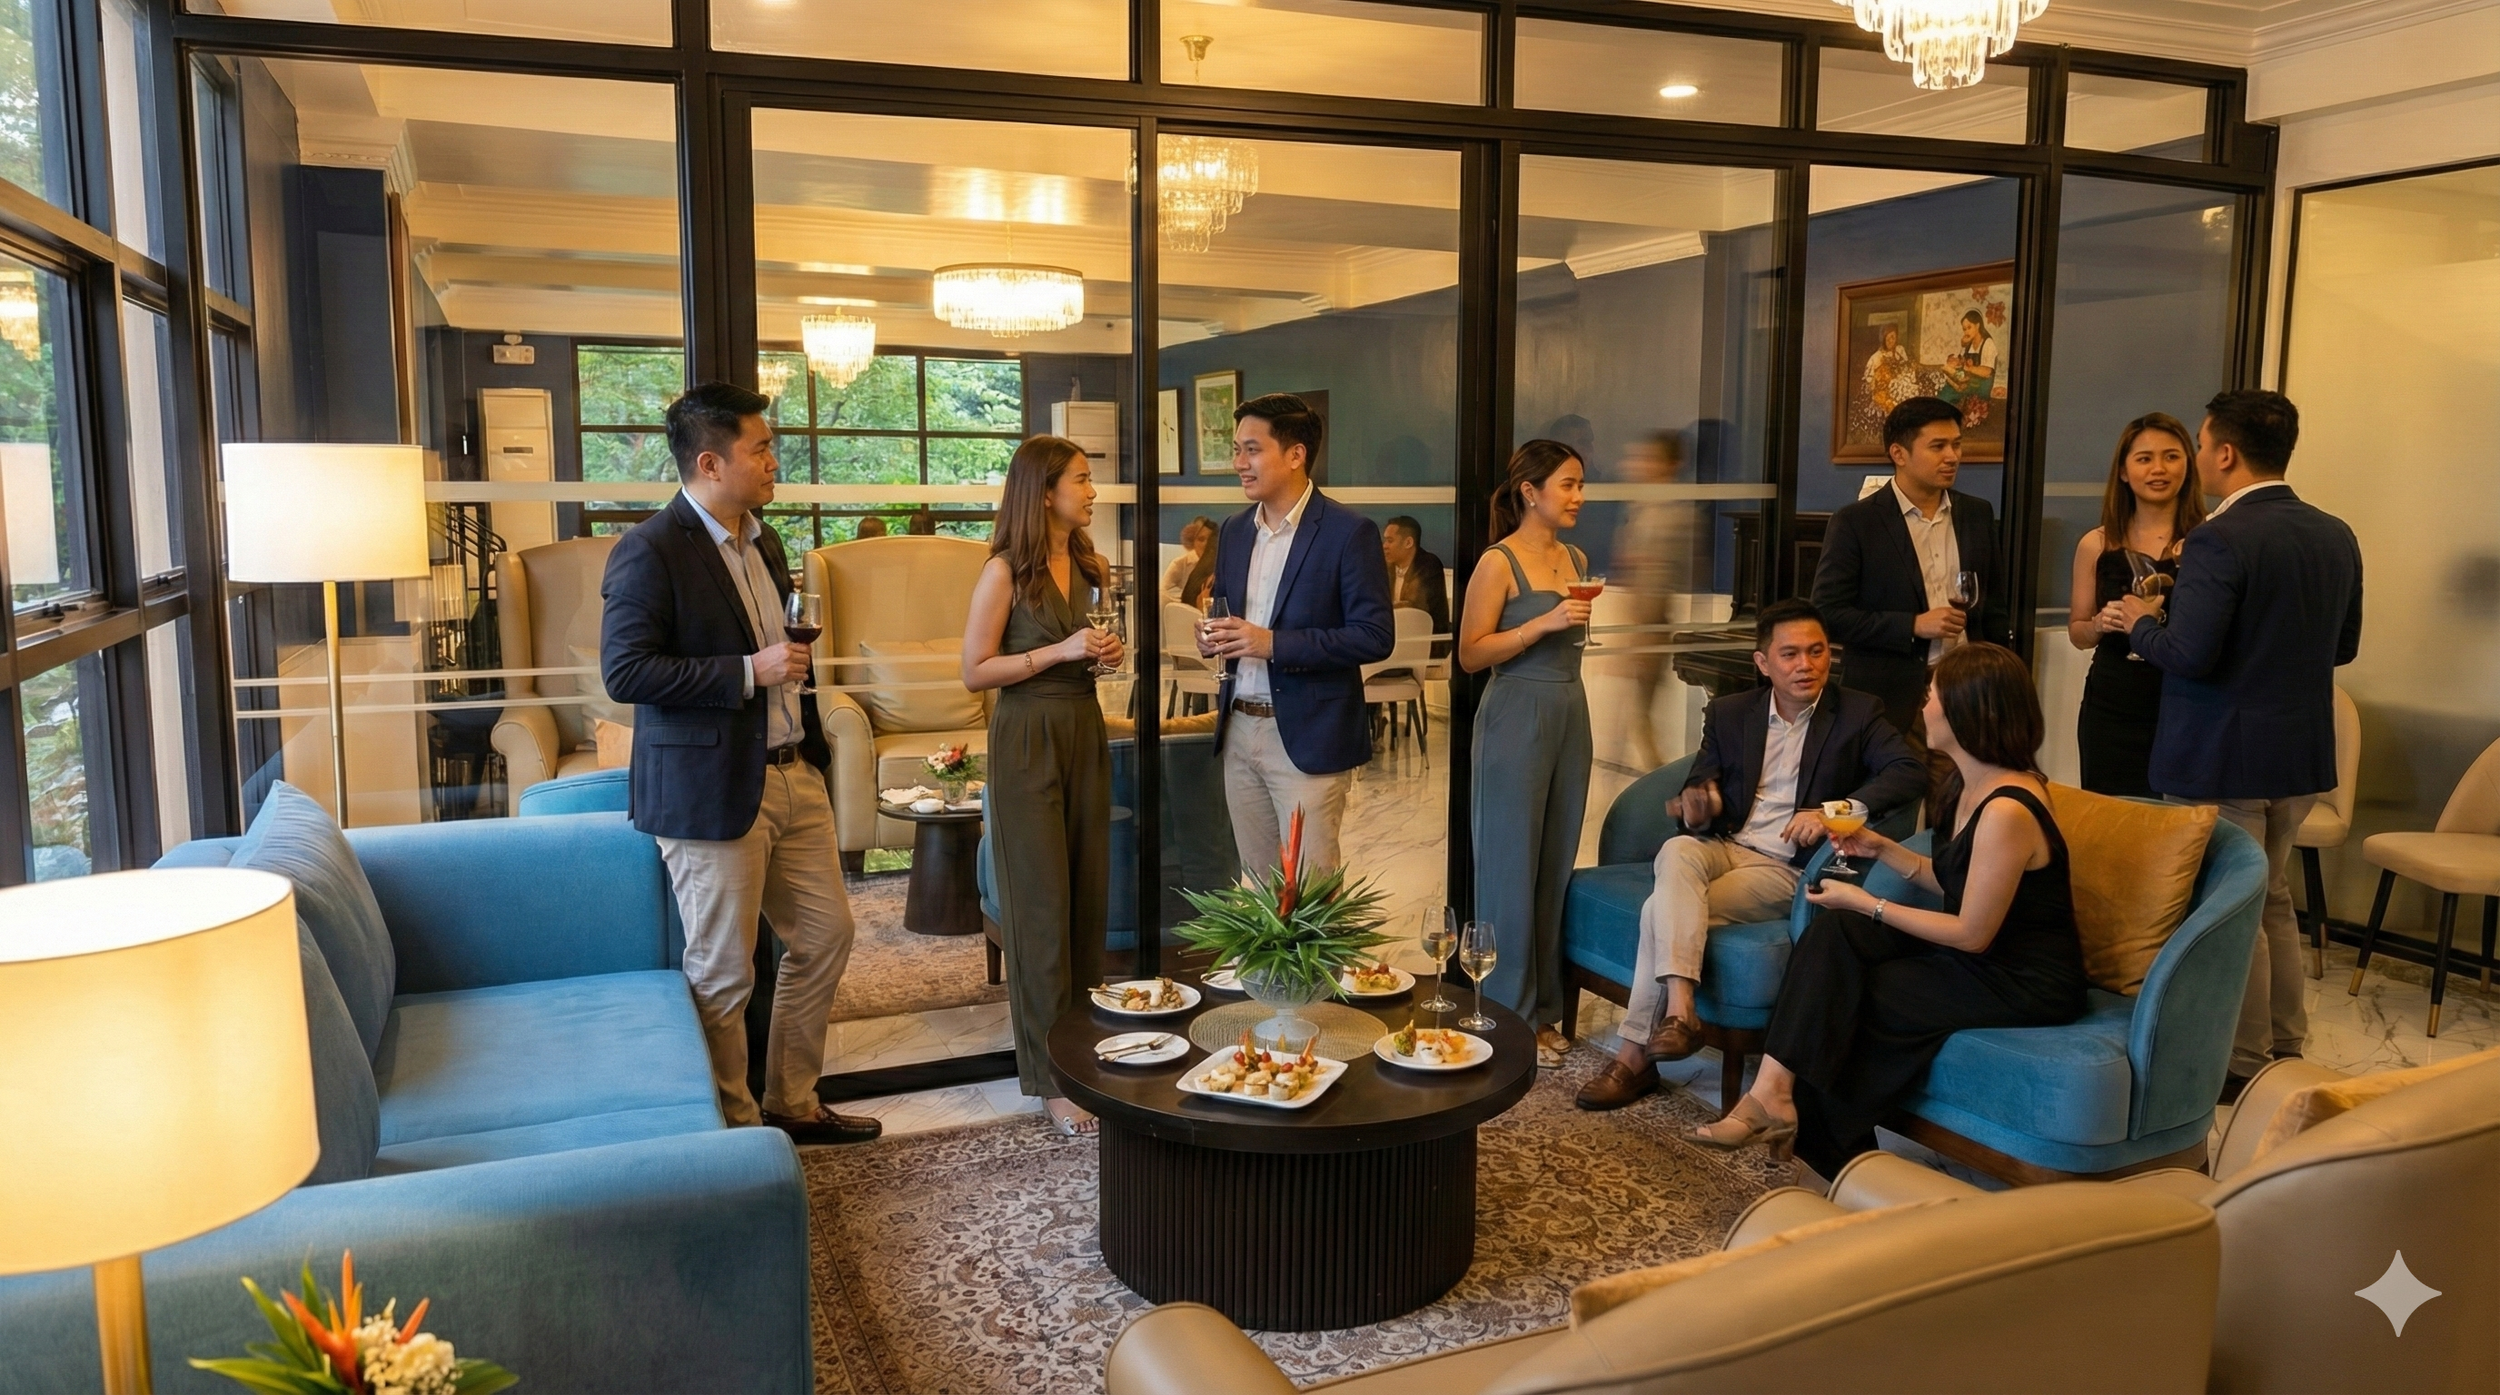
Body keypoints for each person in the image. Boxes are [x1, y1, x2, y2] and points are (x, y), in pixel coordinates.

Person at [1688, 643, 2087, 1176]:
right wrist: (1884, 851)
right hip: (1982, 953)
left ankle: (1837, 1158)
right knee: (1835, 936)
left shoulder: (2009, 808)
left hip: (2020, 976)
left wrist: (1868, 901)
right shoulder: (1968, 785)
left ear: (1968, 710)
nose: (1923, 703)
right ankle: (1773, 1095)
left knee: (1865, 993)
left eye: (1934, 694)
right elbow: (1951, 880)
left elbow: (1972, 932)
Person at [599, 382, 876, 1145]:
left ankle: (792, 1101)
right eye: (761, 448)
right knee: (723, 972)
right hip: (708, 792)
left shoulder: (766, 540)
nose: (773, 459)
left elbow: (787, 649)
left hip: (792, 773)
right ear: (712, 462)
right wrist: (747, 670)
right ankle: (738, 1135)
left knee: (825, 936)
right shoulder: (649, 550)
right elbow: (625, 673)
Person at [1576, 599, 1926, 1110]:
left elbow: (1907, 770)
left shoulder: (1857, 712)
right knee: (1676, 847)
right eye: (1790, 655)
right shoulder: (1731, 712)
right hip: (1723, 845)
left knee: (1659, 909)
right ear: (1764, 663)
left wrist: (1833, 812)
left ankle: (1637, 1055)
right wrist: (1699, 807)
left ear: (1831, 655)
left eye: (1816, 651)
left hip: (1783, 867)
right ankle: (1679, 1013)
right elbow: (1701, 787)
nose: (1805, 665)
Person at [2119, 389, 2362, 1091]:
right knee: (2272, 897)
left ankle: (2241, 1063)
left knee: (2233, 912)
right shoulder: (2334, 532)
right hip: (2300, 752)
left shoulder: (2219, 537)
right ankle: (2285, 1040)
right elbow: (2342, 646)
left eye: (2197, 443)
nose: (2196, 456)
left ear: (2224, 453)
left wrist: (2141, 620)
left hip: (2223, 755)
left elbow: (2188, 653)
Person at [962, 435, 1124, 1138]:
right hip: (1026, 738)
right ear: (1045, 490)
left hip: (1083, 729)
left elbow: (1096, 653)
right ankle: (1047, 1077)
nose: (1093, 492)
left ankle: (1082, 1056)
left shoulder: (1091, 563)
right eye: (1083, 480)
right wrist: (1058, 650)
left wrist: (1106, 654)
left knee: (1087, 900)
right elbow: (975, 670)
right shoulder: (1003, 571)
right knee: (1040, 911)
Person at [1201, 392, 1394, 877]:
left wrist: (1271, 644)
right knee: (1261, 893)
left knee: (1310, 896)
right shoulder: (1234, 530)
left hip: (1309, 739)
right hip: (1239, 729)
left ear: (1295, 454)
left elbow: (1374, 636)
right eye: (1237, 450)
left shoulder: (1349, 533)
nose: (1238, 464)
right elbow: (1227, 616)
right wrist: (1212, 639)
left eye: (1251, 449)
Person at [1459, 440, 1595, 1070]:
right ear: (1530, 492)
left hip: (1571, 711)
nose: (1577, 496)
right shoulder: (1498, 561)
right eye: (1567, 484)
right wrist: (1539, 625)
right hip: (1515, 712)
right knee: (1510, 865)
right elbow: (1470, 654)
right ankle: (1509, 1013)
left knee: (1554, 863)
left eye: (1580, 484)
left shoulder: (1576, 557)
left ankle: (1543, 1010)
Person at [1813, 396, 2012, 738]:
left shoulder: (1977, 514)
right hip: (1890, 702)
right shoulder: (1856, 522)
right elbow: (1827, 614)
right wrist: (1913, 625)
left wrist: (2000, 684)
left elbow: (1994, 608)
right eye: (1938, 446)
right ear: (1899, 454)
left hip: (1967, 694)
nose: (1953, 457)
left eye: (1956, 444)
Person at [2065, 412, 2206, 797]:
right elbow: (2078, 632)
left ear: (2189, 465)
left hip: (2188, 704)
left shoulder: (2210, 540)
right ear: (2124, 472)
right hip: (2113, 706)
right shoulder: (2096, 543)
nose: (2158, 469)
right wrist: (2097, 624)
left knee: (2179, 829)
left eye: (2171, 456)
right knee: (2111, 823)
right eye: (2144, 458)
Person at [1380, 515, 1450, 651]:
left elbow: (1413, 608)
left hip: (1426, 647)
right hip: (1395, 642)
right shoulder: (1386, 567)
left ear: (1408, 543)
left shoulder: (1429, 565)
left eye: (1390, 540)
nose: (1384, 546)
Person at [1160, 516, 1217, 605]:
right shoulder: (1179, 564)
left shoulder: (1218, 564)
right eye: (1201, 539)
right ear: (1192, 541)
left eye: (1210, 540)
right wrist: (1189, 598)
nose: (1206, 544)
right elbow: (1164, 589)